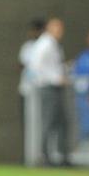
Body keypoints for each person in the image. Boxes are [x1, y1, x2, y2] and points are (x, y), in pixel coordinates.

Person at [28, 17, 70, 167]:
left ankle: (62, 155)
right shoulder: (45, 44)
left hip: (54, 86)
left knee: (61, 122)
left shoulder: (53, 44)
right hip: (48, 87)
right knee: (48, 121)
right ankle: (44, 156)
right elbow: (35, 66)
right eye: (57, 28)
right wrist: (55, 78)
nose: (60, 32)